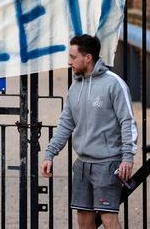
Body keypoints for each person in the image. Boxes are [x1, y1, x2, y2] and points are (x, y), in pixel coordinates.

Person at [41, 34, 138, 229]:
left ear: (88, 57)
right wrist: (50, 154)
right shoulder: (75, 86)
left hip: (107, 164)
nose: (69, 62)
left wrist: (127, 157)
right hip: (83, 165)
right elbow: (65, 124)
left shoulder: (113, 83)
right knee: (84, 221)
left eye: (73, 57)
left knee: (108, 218)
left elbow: (128, 121)